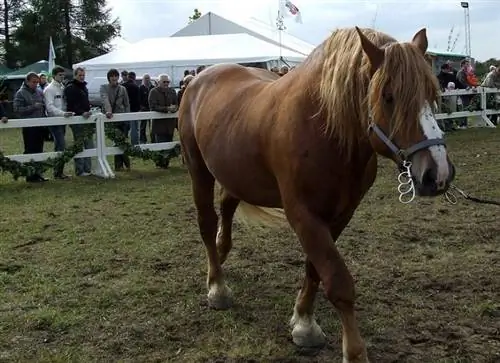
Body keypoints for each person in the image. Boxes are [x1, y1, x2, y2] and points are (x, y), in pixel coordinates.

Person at [13, 72, 48, 182]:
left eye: (37, 82)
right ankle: (30, 175)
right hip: (29, 126)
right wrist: (33, 107)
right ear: (27, 81)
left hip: (40, 125)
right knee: (30, 150)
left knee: (39, 149)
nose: (35, 84)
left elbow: (43, 107)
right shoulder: (20, 93)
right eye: (33, 82)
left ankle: (38, 174)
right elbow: (17, 110)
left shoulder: (39, 92)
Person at [64, 67, 94, 176]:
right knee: (79, 144)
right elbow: (71, 105)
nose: (82, 77)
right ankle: (80, 170)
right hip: (77, 119)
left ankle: (88, 169)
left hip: (87, 119)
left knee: (89, 144)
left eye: (83, 75)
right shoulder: (71, 88)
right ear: (75, 75)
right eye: (80, 75)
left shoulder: (84, 87)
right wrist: (81, 112)